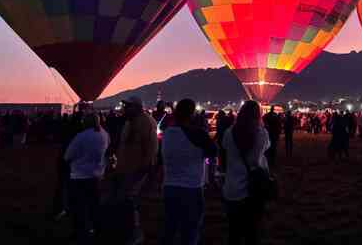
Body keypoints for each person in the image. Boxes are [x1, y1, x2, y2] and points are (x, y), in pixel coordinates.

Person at [160, 98, 217, 245]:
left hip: (169, 187)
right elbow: (213, 151)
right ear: (192, 114)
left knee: (169, 228)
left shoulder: (167, 133)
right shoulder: (198, 135)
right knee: (190, 231)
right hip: (191, 188)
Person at [223, 100, 271, 245]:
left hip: (232, 188)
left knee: (233, 232)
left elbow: (225, 151)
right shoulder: (261, 134)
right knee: (253, 232)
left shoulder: (229, 133)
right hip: (254, 189)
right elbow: (267, 147)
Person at [113, 96, 158, 245]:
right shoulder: (130, 122)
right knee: (124, 201)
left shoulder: (145, 122)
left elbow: (150, 147)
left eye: (128, 106)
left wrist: (145, 168)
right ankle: (127, 229)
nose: (124, 108)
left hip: (137, 169)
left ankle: (135, 233)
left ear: (137, 107)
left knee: (130, 201)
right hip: (125, 168)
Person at [64, 112, 110, 245]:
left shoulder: (81, 137)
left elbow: (68, 155)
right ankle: (97, 230)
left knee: (78, 207)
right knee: (94, 205)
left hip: (79, 176)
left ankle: (80, 233)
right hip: (96, 175)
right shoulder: (104, 135)